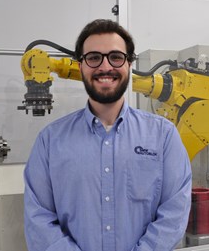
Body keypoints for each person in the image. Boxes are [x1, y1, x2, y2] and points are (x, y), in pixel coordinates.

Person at [23, 19, 192, 251]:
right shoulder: (50, 141)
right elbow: (38, 220)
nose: (105, 67)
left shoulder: (163, 136)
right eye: (93, 57)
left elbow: (174, 212)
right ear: (80, 65)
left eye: (115, 57)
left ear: (129, 64)